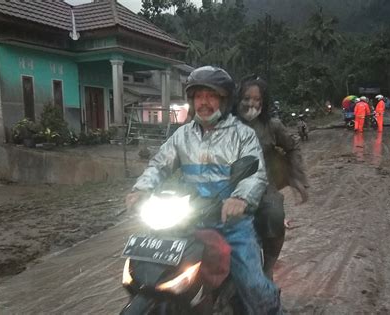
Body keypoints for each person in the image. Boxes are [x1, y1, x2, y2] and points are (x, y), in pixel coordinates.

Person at [126, 66, 283, 314]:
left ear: (224, 100)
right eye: (199, 96)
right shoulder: (182, 135)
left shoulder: (243, 135)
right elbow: (159, 164)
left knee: (254, 286)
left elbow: (255, 173)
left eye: (211, 96)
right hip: (189, 220)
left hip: (231, 223)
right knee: (149, 270)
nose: (204, 102)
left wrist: (240, 198)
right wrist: (142, 189)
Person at [234, 76, 308, 279]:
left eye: (257, 99)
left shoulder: (272, 126)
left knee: (275, 216)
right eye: (247, 98)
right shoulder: (226, 125)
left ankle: (268, 268)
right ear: (238, 99)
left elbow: (292, 147)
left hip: (264, 186)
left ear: (263, 102)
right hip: (227, 186)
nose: (251, 103)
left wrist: (297, 177)